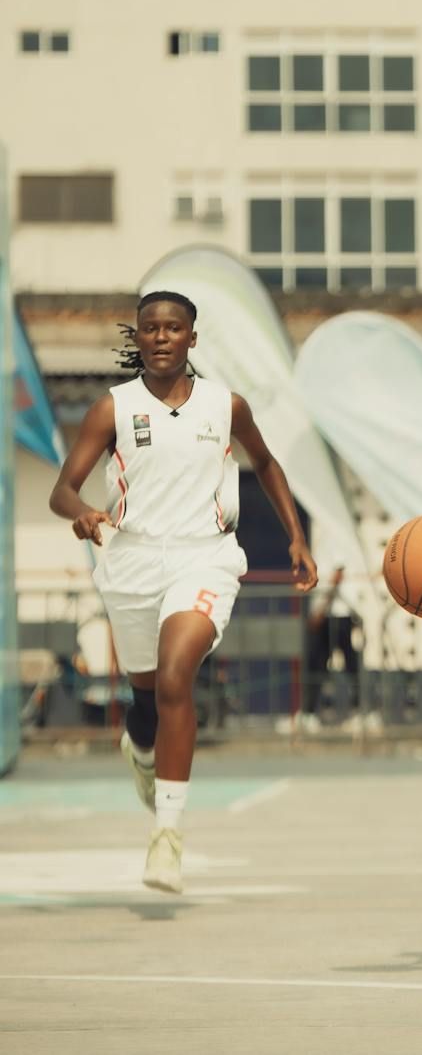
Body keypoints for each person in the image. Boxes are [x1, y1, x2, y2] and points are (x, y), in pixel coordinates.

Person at [49, 290, 318, 893]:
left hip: (205, 558)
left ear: (192, 338)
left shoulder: (226, 405)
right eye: (151, 328)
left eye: (174, 328)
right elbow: (61, 490)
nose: (162, 337)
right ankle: (141, 751)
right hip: (132, 562)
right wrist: (84, 513)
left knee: (176, 678)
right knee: (146, 704)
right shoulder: (113, 408)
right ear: (139, 336)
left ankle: (166, 837)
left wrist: (297, 538)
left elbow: (267, 464)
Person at [301, 565, 363, 731]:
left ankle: (360, 713)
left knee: (350, 666)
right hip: (329, 615)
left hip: (338, 616)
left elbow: (337, 576)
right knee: (319, 666)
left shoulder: (336, 549)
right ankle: (309, 714)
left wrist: (320, 609)